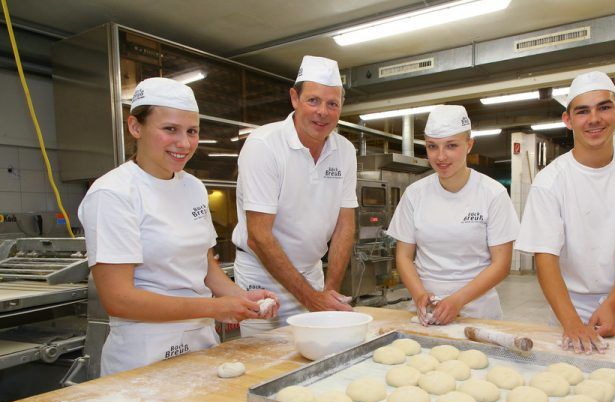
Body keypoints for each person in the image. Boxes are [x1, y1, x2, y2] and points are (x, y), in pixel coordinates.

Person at [79, 77, 279, 376]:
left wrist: (240, 298)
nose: (184, 143)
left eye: (192, 131)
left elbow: (205, 265)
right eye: (169, 129)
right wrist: (216, 308)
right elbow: (118, 299)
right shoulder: (113, 193)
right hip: (143, 354)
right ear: (135, 127)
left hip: (201, 343)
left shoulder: (193, 187)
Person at [515, 71, 615, 354]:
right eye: (582, 111)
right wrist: (571, 322)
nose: (594, 119)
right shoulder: (550, 181)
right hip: (570, 306)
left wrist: (612, 304)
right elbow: (545, 258)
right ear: (568, 120)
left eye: (604, 107)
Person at [232, 55, 357, 334]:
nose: (322, 112)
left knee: (319, 354)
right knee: (264, 362)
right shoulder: (264, 145)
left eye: (332, 104)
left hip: (312, 274)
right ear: (294, 99)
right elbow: (259, 236)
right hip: (262, 279)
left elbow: (344, 224)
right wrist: (312, 299)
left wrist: (330, 290)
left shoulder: (345, 151)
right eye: (313, 100)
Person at [387, 105, 520, 325]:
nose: (441, 157)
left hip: (477, 312)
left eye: (451, 146)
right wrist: (420, 295)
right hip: (425, 312)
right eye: (432, 146)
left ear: (469, 145)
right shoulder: (415, 194)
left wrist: (458, 301)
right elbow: (403, 256)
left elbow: (501, 264)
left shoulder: (492, 194)